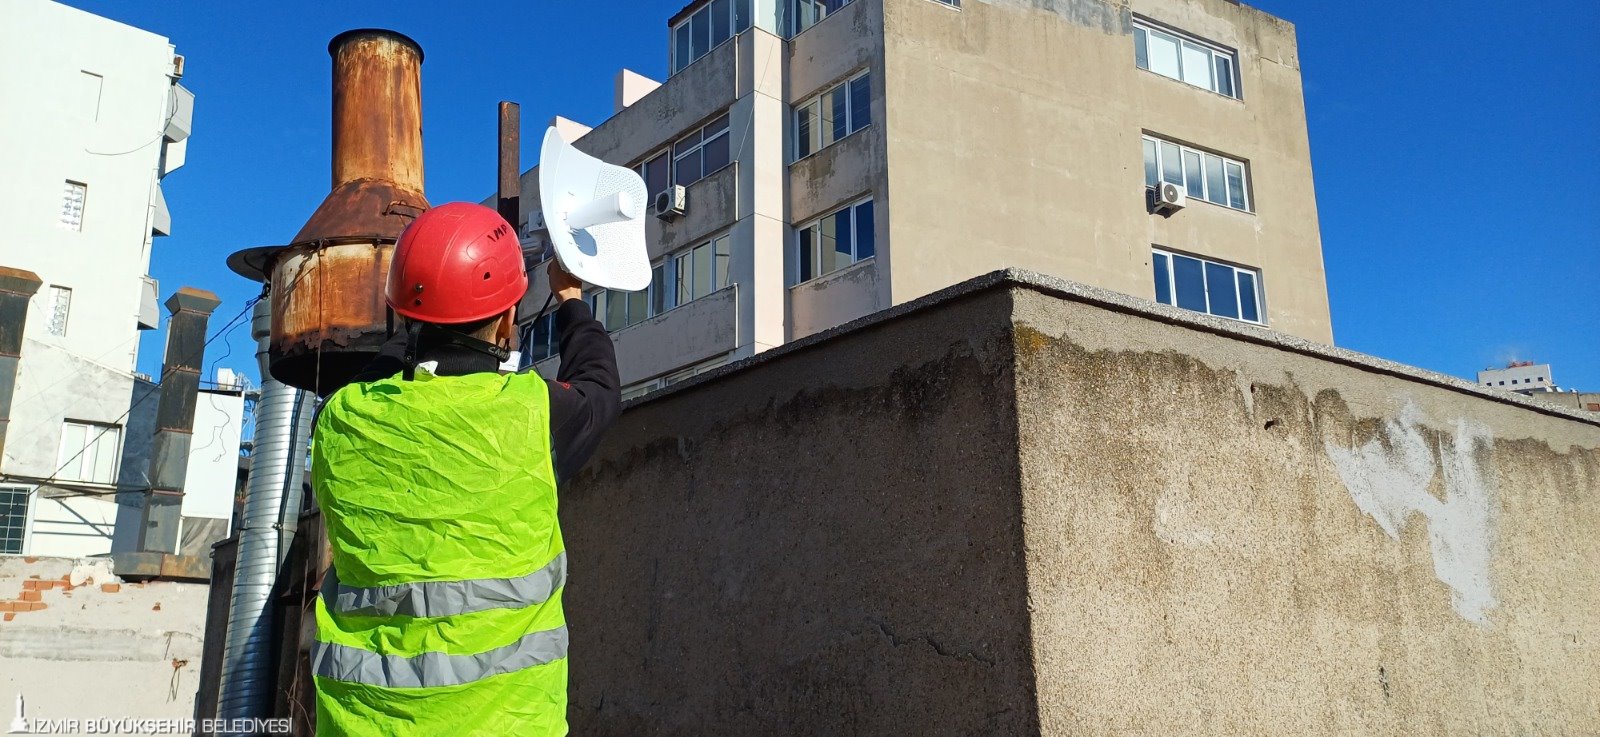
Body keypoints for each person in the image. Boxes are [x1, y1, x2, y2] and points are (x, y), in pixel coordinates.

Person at [309, 201, 620, 735]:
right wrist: (570, 300)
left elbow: (371, 379)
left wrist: (414, 318)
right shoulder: (532, 412)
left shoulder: (340, 420)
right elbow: (599, 385)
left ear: (403, 314)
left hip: (362, 723)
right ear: (504, 321)